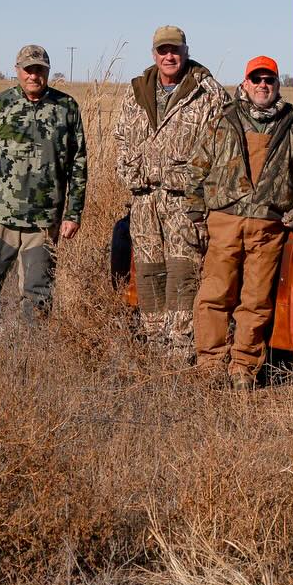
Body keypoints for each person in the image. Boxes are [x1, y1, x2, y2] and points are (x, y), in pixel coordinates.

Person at [186, 57, 293, 389]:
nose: (263, 85)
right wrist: (196, 212)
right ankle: (211, 363)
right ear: (245, 84)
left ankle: (243, 366)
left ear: (277, 86)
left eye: (269, 80)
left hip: (268, 228)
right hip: (224, 221)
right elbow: (196, 170)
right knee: (216, 294)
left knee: (256, 300)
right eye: (256, 79)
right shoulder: (223, 122)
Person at [114, 26, 228, 361]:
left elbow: (222, 148)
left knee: (183, 274)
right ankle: (155, 347)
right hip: (144, 200)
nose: (169, 56)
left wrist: (185, 178)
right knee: (149, 274)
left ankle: (180, 351)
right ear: (154, 54)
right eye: (163, 50)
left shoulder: (208, 92)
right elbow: (121, 139)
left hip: (185, 203)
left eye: (175, 50)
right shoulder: (136, 92)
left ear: (186, 51)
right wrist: (131, 173)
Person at [0, 45, 87, 347]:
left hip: (44, 221)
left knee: (38, 292)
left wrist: (73, 213)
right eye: (28, 69)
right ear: (17, 70)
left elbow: (78, 163)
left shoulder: (66, 108)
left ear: (47, 71)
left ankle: (32, 357)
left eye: (40, 69)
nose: (34, 75)